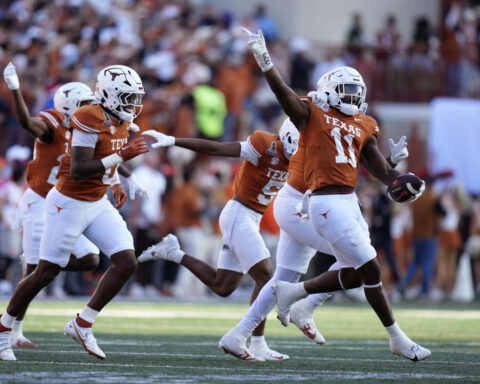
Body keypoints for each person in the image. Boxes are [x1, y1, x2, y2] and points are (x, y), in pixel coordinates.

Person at [242, 28, 430, 362]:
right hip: (325, 202)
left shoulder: (364, 123)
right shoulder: (313, 114)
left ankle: (297, 295)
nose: (352, 96)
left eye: (356, 90)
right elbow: (284, 95)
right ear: (327, 91)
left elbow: (380, 171)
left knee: (361, 271)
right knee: (369, 269)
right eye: (345, 90)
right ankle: (396, 337)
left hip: (349, 201)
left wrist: (401, 177)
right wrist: (266, 61)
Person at [218, 122, 409, 356]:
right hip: (301, 206)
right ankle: (306, 306)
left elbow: (350, 173)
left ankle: (239, 335)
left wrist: (389, 166)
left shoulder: (334, 125)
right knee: (356, 258)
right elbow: (337, 175)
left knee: (285, 276)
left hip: (304, 205)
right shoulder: (317, 126)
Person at [0, 64, 149, 361]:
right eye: (129, 97)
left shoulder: (118, 116)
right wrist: (122, 157)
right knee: (44, 271)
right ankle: (4, 330)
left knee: (126, 261)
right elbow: (80, 169)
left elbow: (107, 153)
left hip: (97, 202)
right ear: (110, 95)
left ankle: (83, 323)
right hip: (66, 203)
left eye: (135, 97)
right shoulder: (87, 117)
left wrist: (117, 180)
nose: (134, 104)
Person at [140, 120, 299, 361]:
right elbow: (216, 148)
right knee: (266, 276)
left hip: (250, 218)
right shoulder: (264, 144)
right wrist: (174, 140)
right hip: (239, 213)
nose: (296, 154)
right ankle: (256, 343)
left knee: (223, 286)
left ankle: (174, 252)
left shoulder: (301, 154)